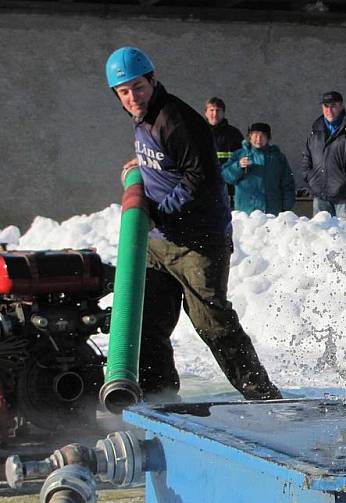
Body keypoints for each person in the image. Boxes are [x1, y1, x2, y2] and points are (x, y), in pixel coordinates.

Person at [105, 47, 281, 400]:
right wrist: (141, 165)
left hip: (197, 241)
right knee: (148, 320)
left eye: (137, 87)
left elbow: (199, 177)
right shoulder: (143, 118)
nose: (132, 97)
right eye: (123, 91)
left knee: (211, 321)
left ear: (152, 81)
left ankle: (262, 396)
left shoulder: (176, 119)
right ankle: (160, 398)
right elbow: (167, 161)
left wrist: (160, 212)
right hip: (160, 241)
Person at [301, 91, 346, 222]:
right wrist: (309, 177)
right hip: (320, 195)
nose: (329, 110)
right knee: (319, 235)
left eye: (333, 106)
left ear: (341, 106)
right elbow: (306, 155)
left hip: (344, 197)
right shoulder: (316, 130)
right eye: (326, 106)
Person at [221, 122, 295, 215]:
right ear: (250, 136)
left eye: (262, 136)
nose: (258, 139)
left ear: (268, 138)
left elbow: (288, 183)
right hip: (246, 211)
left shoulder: (277, 157)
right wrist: (238, 166)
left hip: (272, 211)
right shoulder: (240, 154)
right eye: (255, 136)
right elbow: (226, 176)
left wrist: (286, 207)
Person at [205, 97, 244, 203]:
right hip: (205, 185)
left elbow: (242, 157)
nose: (215, 114)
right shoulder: (198, 132)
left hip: (229, 187)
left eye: (218, 110)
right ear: (206, 113)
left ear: (223, 113)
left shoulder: (234, 134)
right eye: (211, 110)